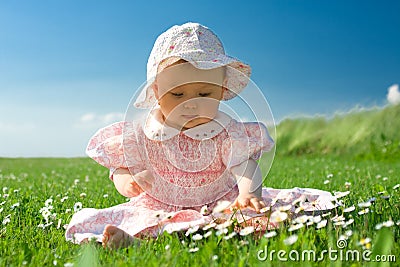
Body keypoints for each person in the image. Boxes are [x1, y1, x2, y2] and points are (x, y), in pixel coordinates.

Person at [65, 22, 335, 249]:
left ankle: (193, 232)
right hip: (160, 203)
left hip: (220, 202)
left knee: (250, 216)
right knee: (147, 218)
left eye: (204, 93)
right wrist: (127, 181)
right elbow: (120, 166)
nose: (191, 103)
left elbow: (244, 166)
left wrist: (247, 193)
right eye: (178, 94)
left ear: (221, 91)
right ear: (157, 92)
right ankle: (134, 241)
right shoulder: (141, 134)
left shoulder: (227, 133)